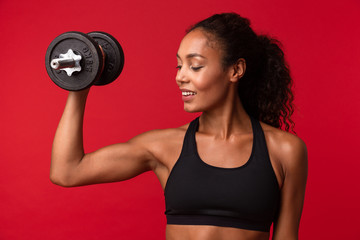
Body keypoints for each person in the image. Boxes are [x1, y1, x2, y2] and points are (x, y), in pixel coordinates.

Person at [50, 13, 308, 240]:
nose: (180, 76)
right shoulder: (164, 146)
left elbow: (286, 236)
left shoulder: (284, 150)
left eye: (195, 66)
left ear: (236, 70)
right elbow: (67, 172)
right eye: (179, 65)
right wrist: (80, 85)